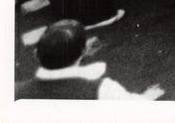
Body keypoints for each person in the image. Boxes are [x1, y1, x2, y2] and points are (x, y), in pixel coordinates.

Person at [16, 19, 164, 100]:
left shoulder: (14, 92)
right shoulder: (102, 89)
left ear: (36, 53)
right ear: (83, 52)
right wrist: (145, 99)